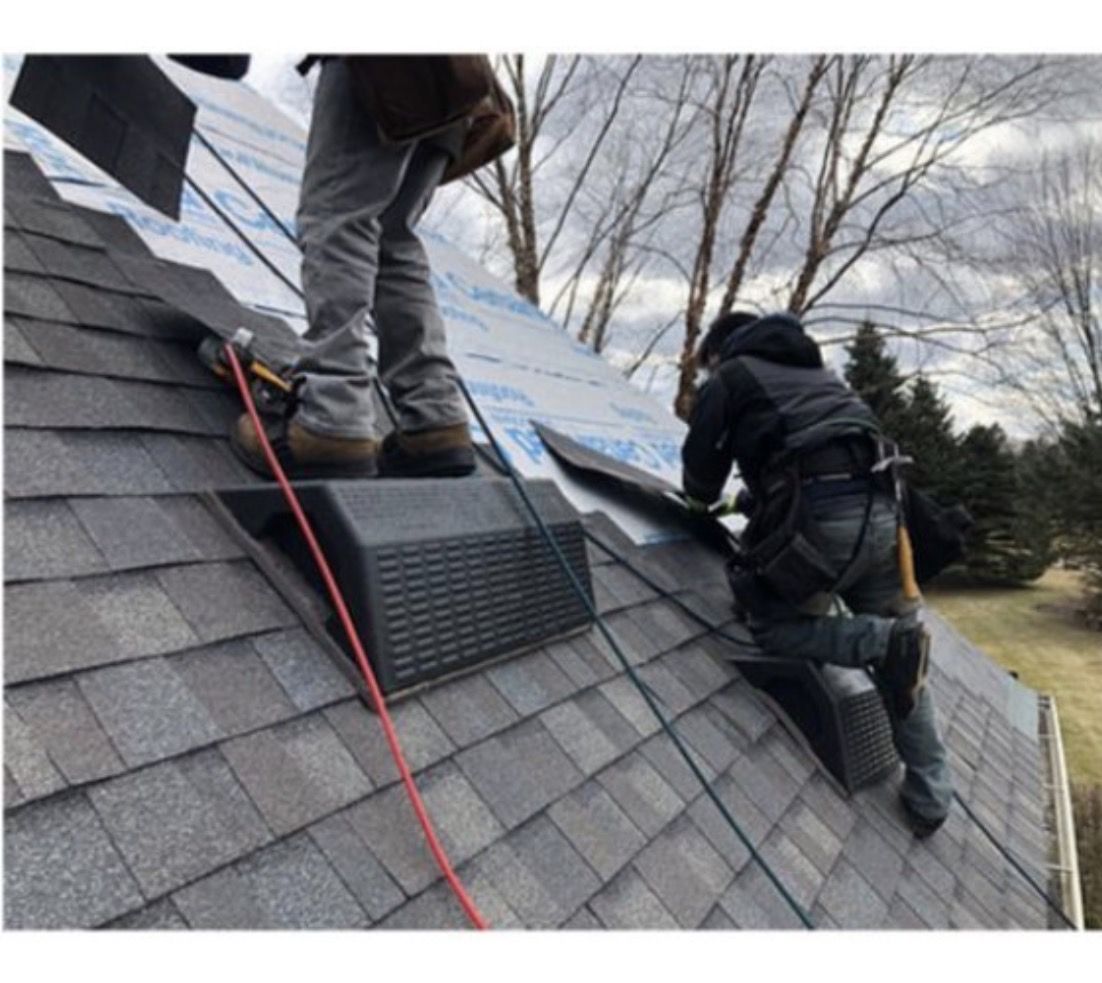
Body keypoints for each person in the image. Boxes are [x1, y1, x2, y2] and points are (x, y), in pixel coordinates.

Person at [682, 310, 953, 837]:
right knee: (908, 669)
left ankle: (880, 642)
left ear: (718, 350)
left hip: (826, 530)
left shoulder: (730, 376)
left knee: (773, 628)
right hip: (887, 519)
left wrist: (698, 503)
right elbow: (822, 457)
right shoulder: (820, 378)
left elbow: (700, 475)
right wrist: (751, 499)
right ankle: (931, 795)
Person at [231, 56, 479, 479]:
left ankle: (332, 416)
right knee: (392, 237)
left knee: (338, 216)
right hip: (453, 76)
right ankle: (434, 417)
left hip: (384, 62)